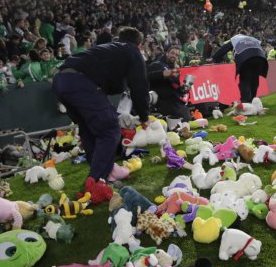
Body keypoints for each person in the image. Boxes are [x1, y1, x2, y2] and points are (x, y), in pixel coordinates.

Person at [51, 27, 149, 193]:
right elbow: (139, 86)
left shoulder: (108, 49)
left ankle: (102, 173)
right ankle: (98, 181)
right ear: (138, 44)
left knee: (89, 128)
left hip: (61, 81)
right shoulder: (132, 51)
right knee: (109, 128)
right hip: (80, 83)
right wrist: (144, 115)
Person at [210, 33, 268, 103]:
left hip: (245, 58)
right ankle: (253, 99)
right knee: (254, 78)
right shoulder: (252, 39)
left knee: (245, 79)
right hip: (260, 59)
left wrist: (215, 59)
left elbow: (223, 49)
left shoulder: (235, 39)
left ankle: (246, 101)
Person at [147, 45, 190, 121]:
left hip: (174, 99)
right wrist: (163, 74)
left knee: (185, 116)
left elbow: (176, 86)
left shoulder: (173, 68)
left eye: (176, 55)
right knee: (183, 116)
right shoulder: (157, 64)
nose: (174, 56)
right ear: (167, 53)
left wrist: (184, 88)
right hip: (161, 100)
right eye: (172, 53)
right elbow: (147, 76)